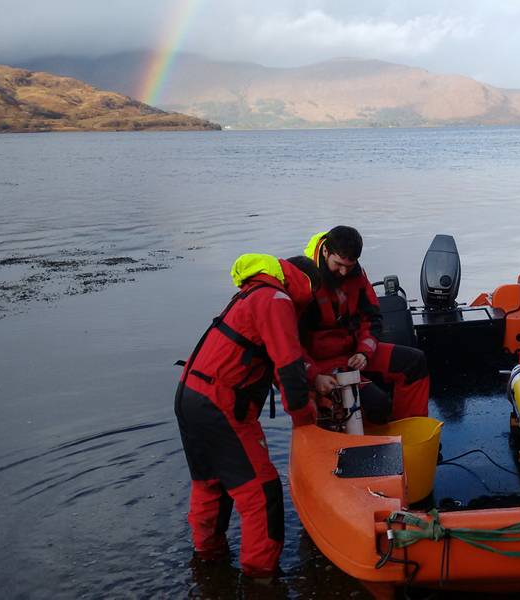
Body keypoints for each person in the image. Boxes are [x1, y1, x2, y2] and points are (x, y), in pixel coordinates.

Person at [174, 254, 321, 580]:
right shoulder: (278, 299)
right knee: (262, 491)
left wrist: (311, 382)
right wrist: (305, 419)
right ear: (305, 284)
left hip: (190, 396)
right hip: (219, 404)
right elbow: (288, 366)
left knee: (210, 483)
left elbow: (274, 357)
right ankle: (260, 577)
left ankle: (208, 560)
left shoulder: (255, 291)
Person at [300, 226, 429, 424]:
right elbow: (291, 342)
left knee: (414, 361)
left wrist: (363, 353)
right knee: (377, 404)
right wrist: (314, 375)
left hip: (352, 352)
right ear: (325, 251)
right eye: (338, 264)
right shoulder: (304, 279)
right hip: (322, 363)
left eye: (349, 266)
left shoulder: (356, 276)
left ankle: (411, 427)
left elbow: (372, 318)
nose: (343, 272)